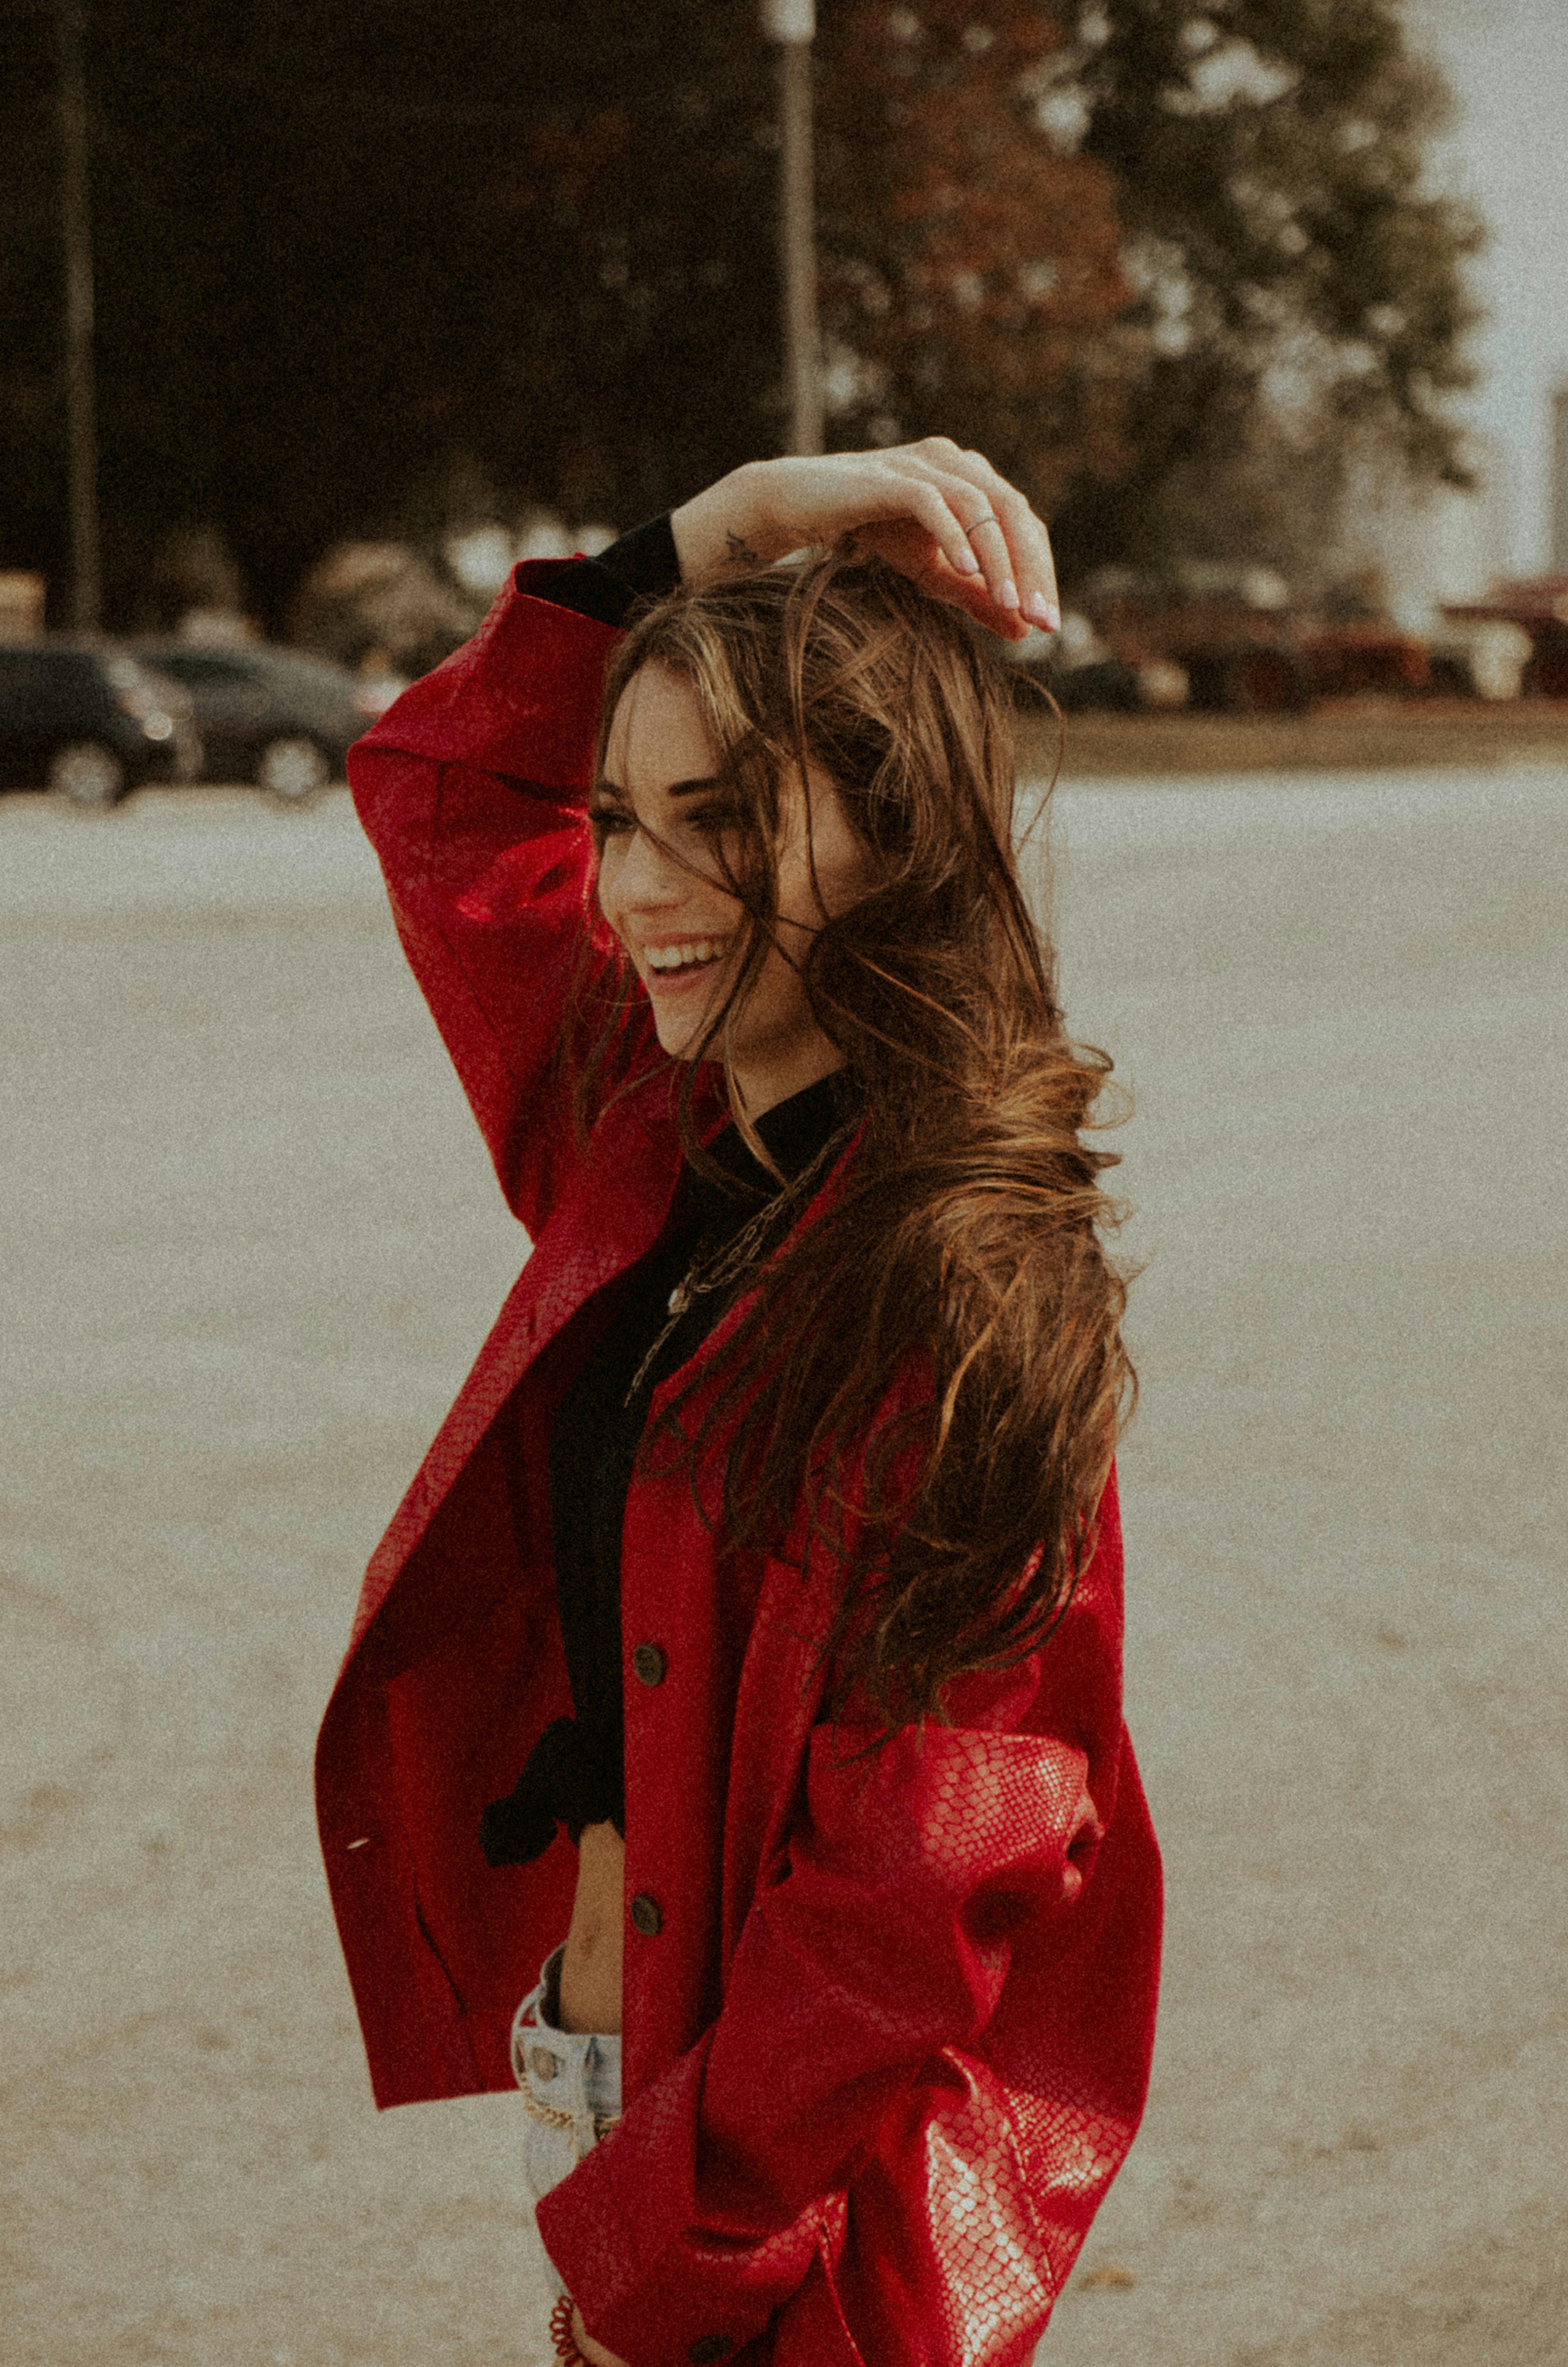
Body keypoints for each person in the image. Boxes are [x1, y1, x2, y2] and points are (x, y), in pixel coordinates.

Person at [315, 441, 1162, 2367]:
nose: (635, 888)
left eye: (721, 817)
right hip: (630, 2076)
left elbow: (917, 1881)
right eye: (619, 815)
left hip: (800, 2182)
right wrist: (711, 532)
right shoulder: (641, 1126)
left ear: (897, 826)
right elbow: (445, 791)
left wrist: (665, 2254)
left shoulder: (953, 1290)